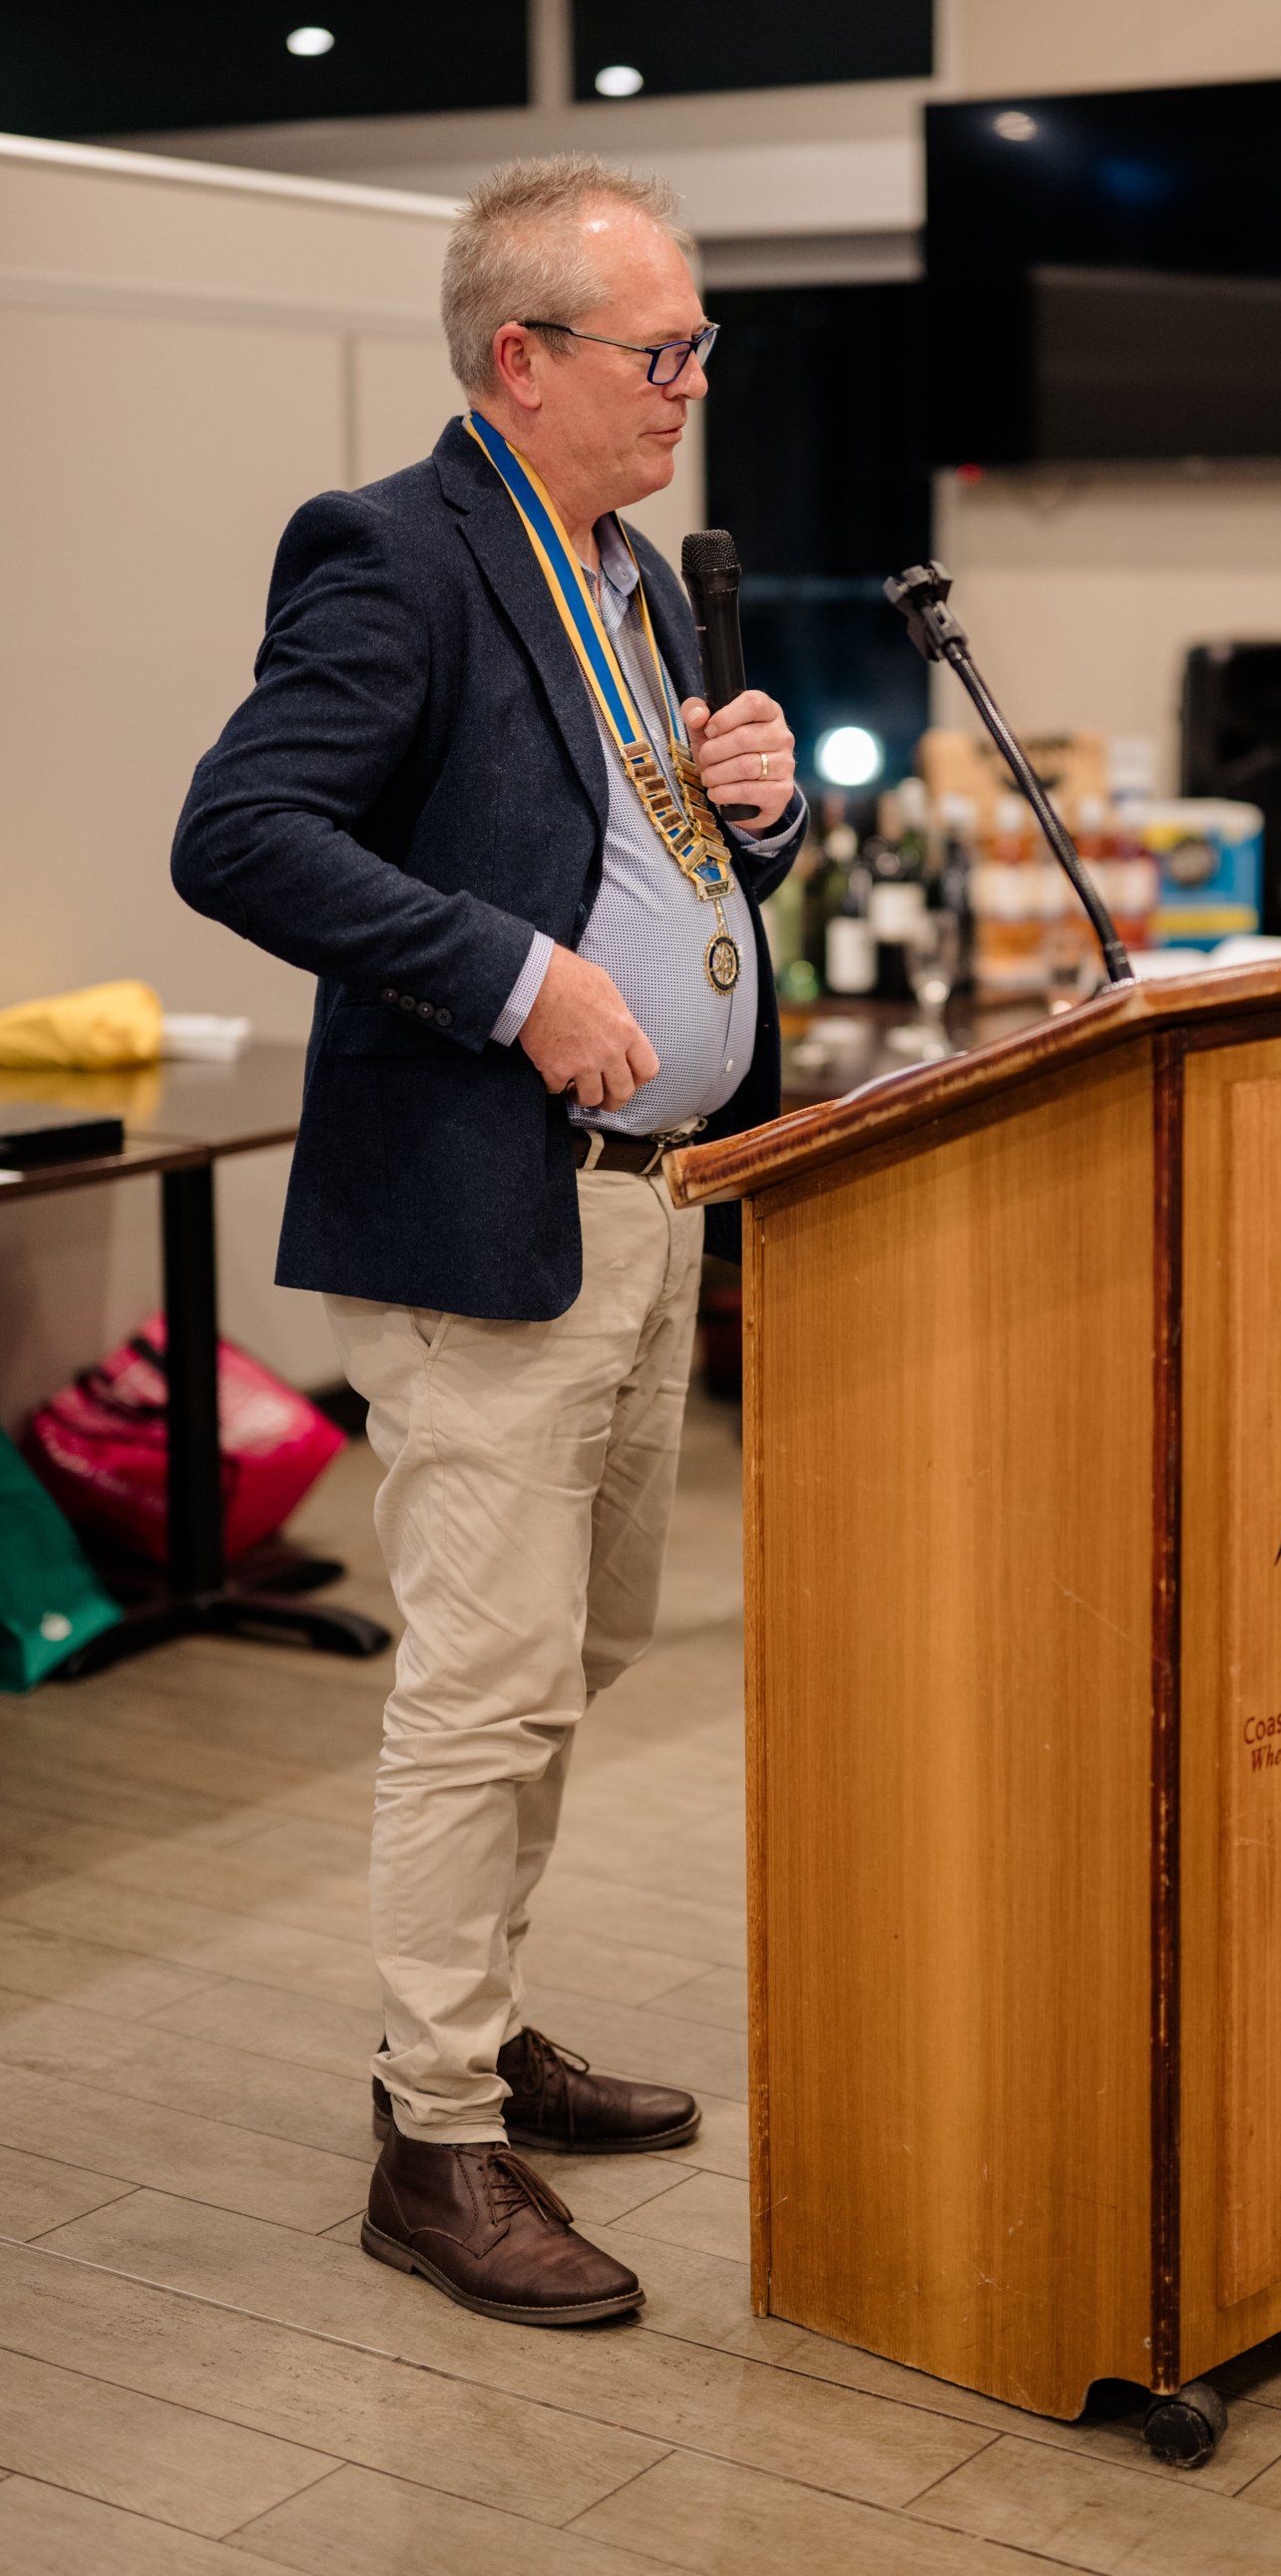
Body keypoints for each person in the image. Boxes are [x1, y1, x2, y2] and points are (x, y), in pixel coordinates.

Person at [173, 154, 803, 2327]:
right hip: (481, 1211)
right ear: (519, 357)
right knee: (482, 1688)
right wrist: (517, 981)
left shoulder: (632, 578)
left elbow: (649, 872)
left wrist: (761, 821)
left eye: (702, 346)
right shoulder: (399, 548)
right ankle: (433, 2137)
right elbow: (243, 831)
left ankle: (480, 2026)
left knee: (568, 1667)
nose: (691, 382)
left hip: (645, 1204)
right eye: (661, 348)